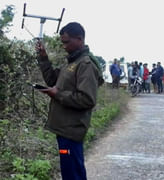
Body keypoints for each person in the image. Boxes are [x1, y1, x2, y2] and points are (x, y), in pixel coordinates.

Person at [35, 22, 102, 180]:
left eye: (66, 42)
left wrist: (57, 95)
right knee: (71, 170)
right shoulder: (72, 63)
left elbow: (87, 99)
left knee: (72, 172)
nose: (64, 46)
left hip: (72, 130)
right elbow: (52, 79)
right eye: (62, 42)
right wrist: (43, 58)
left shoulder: (85, 65)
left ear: (79, 39)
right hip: (64, 129)